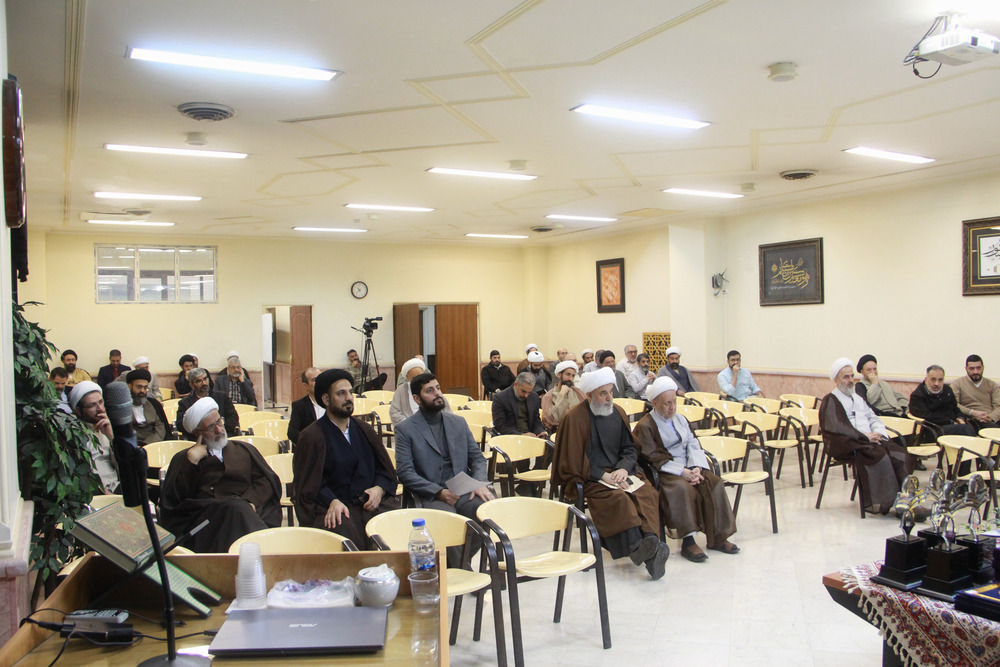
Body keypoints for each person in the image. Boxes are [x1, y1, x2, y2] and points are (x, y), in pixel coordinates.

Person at [552, 366, 670, 580]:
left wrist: (623, 468)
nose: (609, 398)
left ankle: (650, 542)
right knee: (619, 499)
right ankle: (638, 547)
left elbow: (630, 448)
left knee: (647, 493)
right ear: (589, 395)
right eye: (603, 393)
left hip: (621, 472)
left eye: (610, 392)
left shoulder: (618, 412)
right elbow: (571, 458)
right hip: (589, 477)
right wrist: (602, 476)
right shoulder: (574, 418)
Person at [633, 377, 737, 562]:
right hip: (666, 471)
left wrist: (696, 467)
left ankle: (718, 538)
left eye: (674, 402)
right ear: (654, 403)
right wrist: (682, 472)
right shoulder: (645, 425)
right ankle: (688, 542)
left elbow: (693, 443)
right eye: (667, 403)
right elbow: (652, 456)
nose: (672, 407)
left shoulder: (681, 419)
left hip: (690, 465)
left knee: (714, 483)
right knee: (682, 488)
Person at [159, 397, 282, 553]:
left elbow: (266, 481)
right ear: (197, 433)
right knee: (234, 508)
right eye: (211, 427)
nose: (219, 430)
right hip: (209, 526)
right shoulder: (184, 459)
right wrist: (192, 462)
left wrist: (250, 501)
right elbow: (174, 504)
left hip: (249, 513)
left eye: (219, 422)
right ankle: (267, 553)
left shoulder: (243, 449)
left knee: (239, 508)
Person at [293, 369, 399, 545]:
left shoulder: (365, 430)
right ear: (326, 399)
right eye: (341, 393)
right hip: (335, 506)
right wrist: (332, 501)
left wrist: (379, 489)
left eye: (350, 392)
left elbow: (384, 469)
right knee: (341, 530)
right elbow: (309, 484)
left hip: (371, 503)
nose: (348, 398)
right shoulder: (311, 436)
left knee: (395, 528)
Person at [394, 373, 495, 532]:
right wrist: (438, 492)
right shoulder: (405, 429)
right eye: (430, 391)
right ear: (417, 399)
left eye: (438, 388)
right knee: (448, 523)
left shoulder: (458, 422)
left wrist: (478, 482)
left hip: (463, 489)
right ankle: (456, 550)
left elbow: (477, 458)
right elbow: (405, 472)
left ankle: (470, 550)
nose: (437, 393)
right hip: (431, 493)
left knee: (484, 509)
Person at [819, 359, 914, 516]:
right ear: (836, 380)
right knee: (880, 456)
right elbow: (837, 428)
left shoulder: (857, 398)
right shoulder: (831, 400)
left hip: (870, 440)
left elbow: (873, 417)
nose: (851, 380)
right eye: (846, 377)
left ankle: (907, 501)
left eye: (852, 376)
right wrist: (863, 437)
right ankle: (887, 502)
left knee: (900, 454)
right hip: (847, 443)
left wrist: (878, 433)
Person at [69, 381, 120, 494]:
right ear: (78, 411)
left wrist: (111, 437)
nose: (100, 409)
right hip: (95, 492)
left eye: (101, 402)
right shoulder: (75, 435)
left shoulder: (109, 426)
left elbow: (124, 465)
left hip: (117, 486)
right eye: (92, 405)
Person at [909, 365, 976, 438]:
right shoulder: (917, 396)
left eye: (940, 380)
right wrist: (951, 422)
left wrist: (960, 418)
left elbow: (955, 408)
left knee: (972, 426)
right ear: (926, 380)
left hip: (949, 425)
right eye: (933, 379)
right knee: (964, 429)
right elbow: (928, 418)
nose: (936, 384)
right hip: (930, 430)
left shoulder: (947, 390)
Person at [175, 368, 241, 439]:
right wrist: (202, 431)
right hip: (198, 439)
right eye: (199, 381)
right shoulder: (185, 403)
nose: (204, 383)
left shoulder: (222, 397)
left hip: (223, 435)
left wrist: (218, 429)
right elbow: (180, 425)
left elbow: (233, 418)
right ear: (192, 385)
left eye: (205, 379)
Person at [389, 357, 453, 426]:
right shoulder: (401, 390)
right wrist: (409, 424)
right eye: (414, 378)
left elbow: (446, 411)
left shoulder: (432, 387)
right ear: (407, 377)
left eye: (420, 376)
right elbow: (394, 412)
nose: (418, 380)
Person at [952, 354, 1000, 430]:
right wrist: (973, 412)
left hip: (990, 419)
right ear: (966, 369)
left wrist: (990, 417)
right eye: (972, 369)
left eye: (978, 368)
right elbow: (954, 405)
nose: (975, 372)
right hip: (970, 420)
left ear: (983, 368)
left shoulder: (992, 385)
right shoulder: (957, 384)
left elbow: (998, 406)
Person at [492, 372, 547, 437]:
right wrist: (521, 435)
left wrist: (540, 432)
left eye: (529, 392)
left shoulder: (534, 397)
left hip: (530, 435)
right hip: (510, 437)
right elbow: (500, 425)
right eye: (523, 391)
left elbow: (536, 420)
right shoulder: (500, 398)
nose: (526, 395)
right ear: (515, 384)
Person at [126, 368, 171, 446]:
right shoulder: (122, 406)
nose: (142, 391)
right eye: (139, 387)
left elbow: (161, 428)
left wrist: (146, 445)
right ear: (130, 386)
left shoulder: (154, 404)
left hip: (153, 443)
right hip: (130, 445)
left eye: (145, 387)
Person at [542, 360, 586, 432]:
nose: (570, 379)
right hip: (559, 432)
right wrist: (561, 395)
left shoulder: (578, 392)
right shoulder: (548, 396)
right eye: (568, 374)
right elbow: (553, 419)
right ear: (559, 375)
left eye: (573, 376)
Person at [288, 367, 323, 445]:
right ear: (305, 386)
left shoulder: (332, 402)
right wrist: (311, 442)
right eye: (314, 380)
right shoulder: (299, 406)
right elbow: (292, 433)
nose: (320, 382)